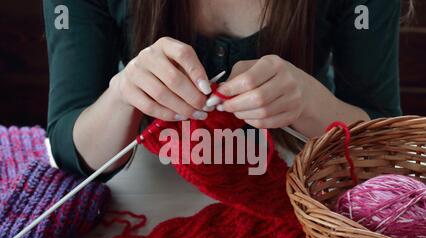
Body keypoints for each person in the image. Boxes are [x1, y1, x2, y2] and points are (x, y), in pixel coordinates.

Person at [43, 0, 403, 179]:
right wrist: (123, 94)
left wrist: (312, 106)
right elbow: (69, 147)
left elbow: (388, 142)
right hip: (141, 188)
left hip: (303, 193)